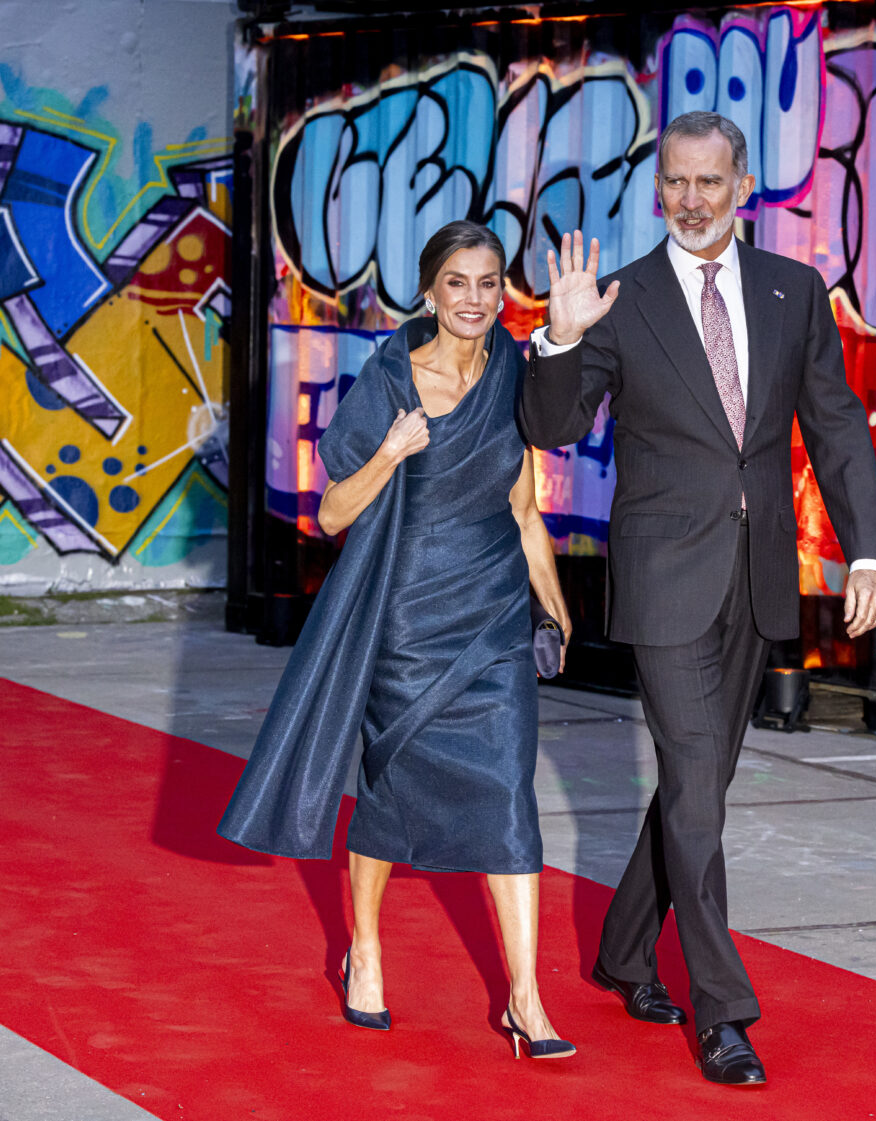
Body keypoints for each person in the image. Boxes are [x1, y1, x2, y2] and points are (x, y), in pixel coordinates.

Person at [519, 111, 876, 1085]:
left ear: (742, 187)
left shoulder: (792, 291)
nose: (693, 200)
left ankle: (624, 950)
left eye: (710, 183)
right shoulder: (623, 298)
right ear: (657, 188)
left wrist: (869, 554)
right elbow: (549, 424)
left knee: (698, 788)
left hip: (758, 573)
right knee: (694, 781)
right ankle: (724, 1010)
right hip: (664, 575)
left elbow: (837, 427)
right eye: (676, 183)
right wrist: (559, 337)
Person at [219, 220, 576, 1059]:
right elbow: (332, 513)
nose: (475, 300)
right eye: (458, 282)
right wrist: (389, 450)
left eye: (489, 284)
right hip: (407, 619)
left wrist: (552, 609)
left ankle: (526, 996)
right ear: (429, 291)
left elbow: (525, 509)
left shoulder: (510, 372)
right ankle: (366, 950)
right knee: (387, 794)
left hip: (491, 618)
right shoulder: (388, 380)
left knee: (509, 792)